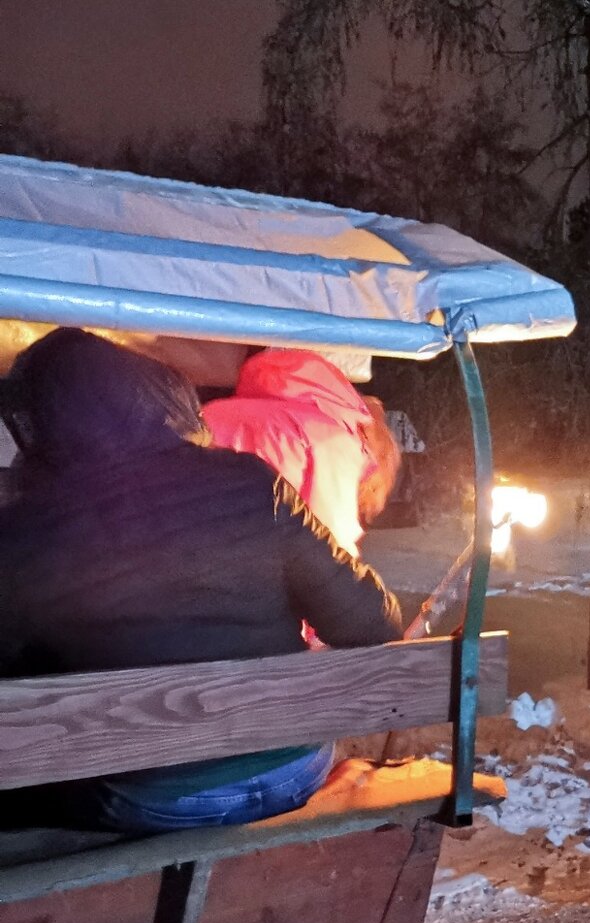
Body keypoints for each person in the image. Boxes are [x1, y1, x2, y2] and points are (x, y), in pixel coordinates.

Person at [0, 328, 402, 832]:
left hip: (148, 796)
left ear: (33, 425)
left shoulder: (24, 528)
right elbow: (373, 622)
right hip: (295, 766)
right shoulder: (250, 482)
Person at [203, 348, 387, 557]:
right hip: (266, 566)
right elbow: (332, 540)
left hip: (196, 557)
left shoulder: (208, 414)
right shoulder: (330, 438)